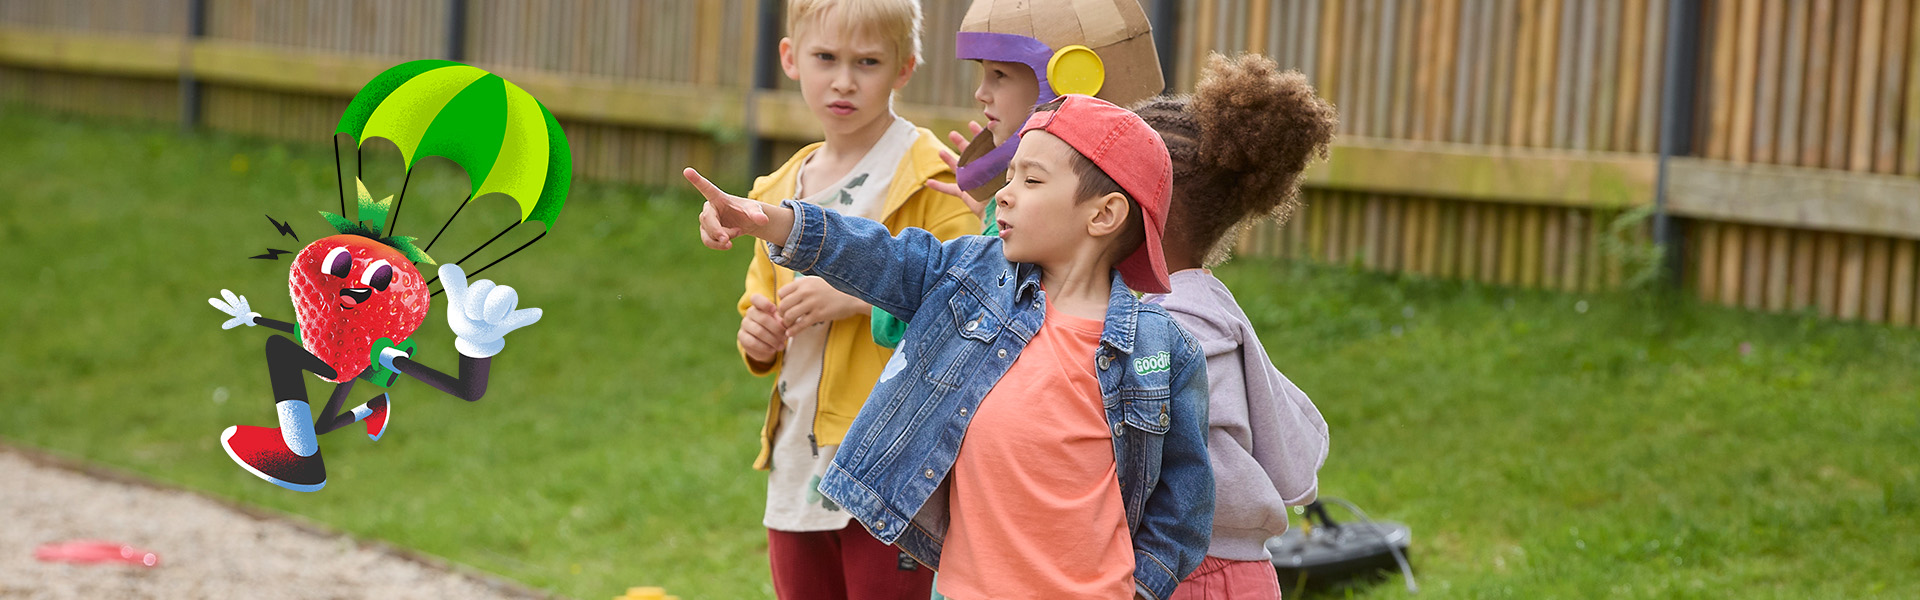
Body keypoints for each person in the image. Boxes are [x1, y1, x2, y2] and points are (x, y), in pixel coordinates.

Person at [687, 93, 1213, 600]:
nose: (1004, 193)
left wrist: (1143, 587)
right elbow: (884, 256)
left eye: (1031, 180)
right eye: (1009, 176)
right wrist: (775, 221)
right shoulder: (971, 278)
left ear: (1103, 215)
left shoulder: (1161, 350)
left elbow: (1183, 497)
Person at [731, 1, 977, 597]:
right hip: (798, 463)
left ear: (904, 68)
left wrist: (863, 298)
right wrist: (756, 341)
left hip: (894, 456)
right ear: (790, 58)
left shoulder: (931, 177)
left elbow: (976, 298)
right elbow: (760, 304)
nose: (844, 80)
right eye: (825, 58)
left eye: (867, 62)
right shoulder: (776, 192)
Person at [1136, 52, 1336, 600]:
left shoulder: (1166, 330)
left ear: (1141, 212)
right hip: (1239, 574)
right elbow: (1294, 466)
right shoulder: (1214, 308)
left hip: (1186, 573)